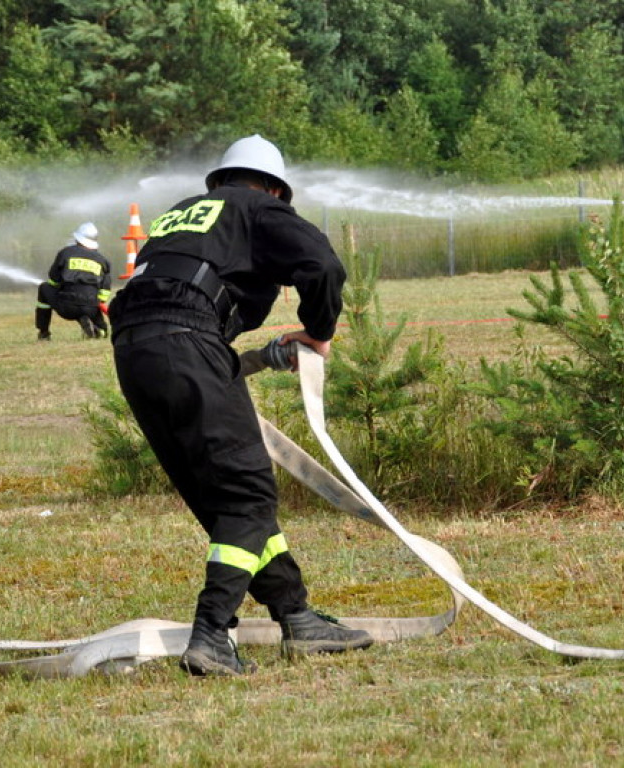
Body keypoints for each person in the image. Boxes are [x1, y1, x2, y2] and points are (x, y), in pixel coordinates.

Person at [107, 134, 373, 676]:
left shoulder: (184, 214)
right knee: (248, 495)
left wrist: (249, 353)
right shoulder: (258, 206)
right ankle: (212, 633)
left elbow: (187, 288)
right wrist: (319, 333)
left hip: (136, 350)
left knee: (228, 498)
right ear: (275, 188)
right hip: (188, 343)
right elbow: (322, 266)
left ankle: (295, 615)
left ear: (220, 179)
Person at [35, 222, 111, 340]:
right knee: (92, 303)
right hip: (91, 307)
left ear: (77, 238)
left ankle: (44, 333)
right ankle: (99, 330)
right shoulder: (102, 260)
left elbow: (53, 280)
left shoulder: (66, 253)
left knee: (44, 288)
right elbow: (105, 292)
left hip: (67, 307)